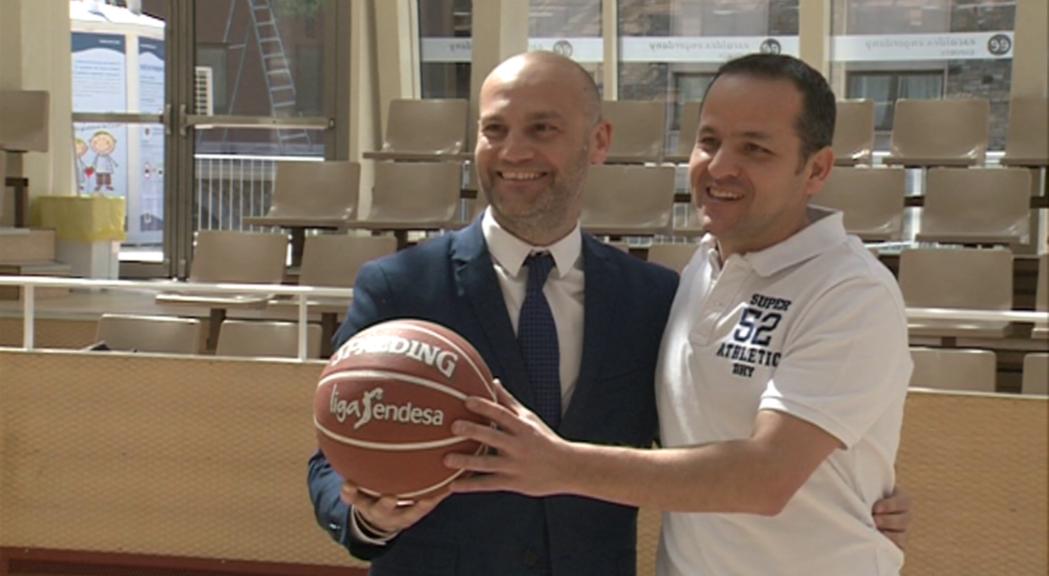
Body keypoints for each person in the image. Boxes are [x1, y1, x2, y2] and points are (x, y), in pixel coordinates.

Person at [447, 53, 913, 576]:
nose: (719, 167)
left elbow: (765, 478)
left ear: (818, 169)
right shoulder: (698, 272)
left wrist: (559, 466)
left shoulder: (851, 290)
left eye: (755, 149)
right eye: (709, 141)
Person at [308, 51, 680, 575]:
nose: (513, 150)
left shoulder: (651, 298)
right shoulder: (401, 287)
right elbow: (331, 459)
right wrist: (372, 518)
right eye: (494, 129)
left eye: (542, 128)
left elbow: (680, 460)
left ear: (599, 141)